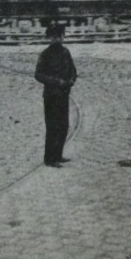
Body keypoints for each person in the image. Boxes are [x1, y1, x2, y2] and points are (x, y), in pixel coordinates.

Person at [34, 21, 78, 168]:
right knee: (52, 127)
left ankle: (58, 155)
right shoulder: (45, 54)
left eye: (60, 37)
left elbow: (73, 70)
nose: (57, 39)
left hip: (63, 95)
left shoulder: (66, 52)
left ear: (63, 37)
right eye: (54, 37)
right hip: (51, 96)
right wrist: (56, 82)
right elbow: (38, 74)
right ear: (50, 38)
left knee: (64, 126)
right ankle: (49, 159)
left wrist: (71, 81)